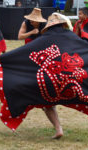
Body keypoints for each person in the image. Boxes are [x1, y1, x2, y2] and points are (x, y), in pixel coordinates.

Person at [0, 12, 88, 142]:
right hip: (75, 81)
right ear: (63, 25)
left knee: (46, 103)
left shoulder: (42, 40)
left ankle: (58, 129)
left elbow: (18, 54)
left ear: (48, 27)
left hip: (48, 85)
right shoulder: (72, 37)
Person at [18, 7, 63, 139]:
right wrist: (32, 31)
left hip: (43, 63)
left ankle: (57, 126)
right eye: (31, 20)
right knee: (42, 100)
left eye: (35, 21)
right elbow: (20, 36)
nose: (32, 22)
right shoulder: (25, 24)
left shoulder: (46, 27)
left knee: (46, 101)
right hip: (29, 62)